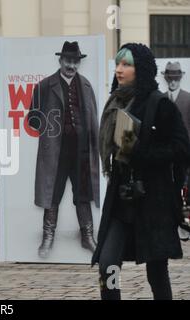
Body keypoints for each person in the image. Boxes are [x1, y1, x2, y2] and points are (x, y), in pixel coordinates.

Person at [94, 43, 190, 300]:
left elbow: (182, 149)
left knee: (156, 270)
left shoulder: (160, 104)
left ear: (142, 69)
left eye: (126, 64)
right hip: (122, 197)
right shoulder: (115, 102)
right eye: (117, 64)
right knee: (108, 264)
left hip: (153, 198)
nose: (119, 70)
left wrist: (142, 153)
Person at [27, 41, 100, 258]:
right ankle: (47, 238)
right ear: (60, 61)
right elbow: (32, 118)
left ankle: (87, 237)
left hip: (81, 152)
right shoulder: (44, 85)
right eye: (68, 61)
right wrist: (49, 127)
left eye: (75, 62)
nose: (72, 66)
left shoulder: (86, 86)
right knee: (52, 194)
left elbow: (94, 120)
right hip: (55, 153)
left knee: (83, 195)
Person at [162, 62, 190, 137]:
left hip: (185, 144)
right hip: (165, 144)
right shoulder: (161, 98)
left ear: (180, 78)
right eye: (170, 79)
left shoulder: (188, 98)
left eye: (176, 79)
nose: (173, 82)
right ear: (166, 79)